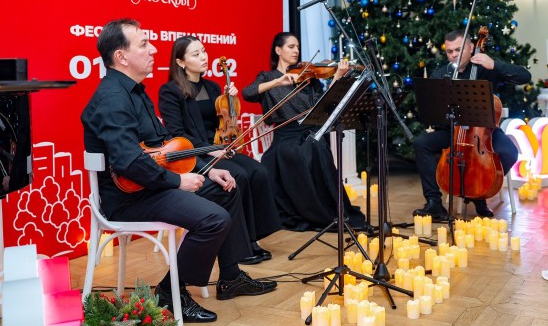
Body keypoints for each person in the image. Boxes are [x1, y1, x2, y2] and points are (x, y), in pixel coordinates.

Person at [81, 19, 276, 323]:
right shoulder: (112, 98)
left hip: (149, 184)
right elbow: (129, 162)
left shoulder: (134, 91)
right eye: (144, 44)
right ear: (121, 56)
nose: (153, 49)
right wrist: (177, 181)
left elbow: (165, 148)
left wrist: (205, 171)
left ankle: (230, 277)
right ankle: (170, 293)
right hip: (130, 197)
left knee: (226, 187)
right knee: (213, 219)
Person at [158, 35, 282, 265]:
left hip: (220, 146)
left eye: (203, 51)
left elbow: (224, 122)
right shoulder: (170, 91)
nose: (204, 57)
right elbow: (176, 135)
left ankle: (253, 236)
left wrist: (230, 101)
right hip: (195, 154)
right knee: (239, 175)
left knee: (258, 171)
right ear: (181, 62)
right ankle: (241, 248)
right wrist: (209, 149)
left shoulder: (213, 87)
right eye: (196, 54)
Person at [241, 31, 367, 232]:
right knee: (298, 152)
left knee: (315, 146)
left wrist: (336, 77)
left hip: (309, 132)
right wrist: (278, 82)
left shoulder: (308, 76)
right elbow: (247, 93)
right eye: (291, 47)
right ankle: (312, 213)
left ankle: (329, 211)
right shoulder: (268, 77)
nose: (296, 51)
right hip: (285, 136)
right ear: (278, 50)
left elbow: (322, 104)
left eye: (298, 47)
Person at [413, 29, 531, 221]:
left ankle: (480, 194)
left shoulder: (485, 68)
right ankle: (434, 203)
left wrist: (495, 64)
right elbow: (432, 111)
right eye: (449, 51)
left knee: (509, 152)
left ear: (470, 47)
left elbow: (524, 77)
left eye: (458, 50)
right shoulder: (441, 73)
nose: (453, 55)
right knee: (421, 143)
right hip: (451, 131)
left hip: (484, 133)